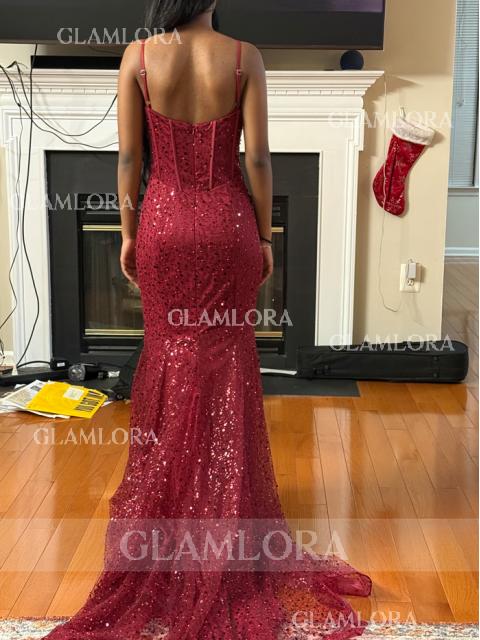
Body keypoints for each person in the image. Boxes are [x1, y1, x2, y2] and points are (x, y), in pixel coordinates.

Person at [44, 2, 371, 638]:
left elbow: (128, 162)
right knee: (227, 362)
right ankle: (223, 513)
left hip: (163, 224)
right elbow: (258, 161)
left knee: (168, 357)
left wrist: (129, 234)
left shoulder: (138, 57)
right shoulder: (245, 57)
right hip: (228, 226)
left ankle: (169, 514)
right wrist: (266, 237)